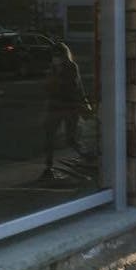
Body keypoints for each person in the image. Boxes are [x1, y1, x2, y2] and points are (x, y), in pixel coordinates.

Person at [40, 42, 89, 180]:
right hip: (55, 107)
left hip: (69, 107)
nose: (55, 58)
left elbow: (75, 87)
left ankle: (87, 156)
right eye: (54, 55)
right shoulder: (52, 69)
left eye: (58, 55)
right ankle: (48, 167)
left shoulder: (71, 67)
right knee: (49, 136)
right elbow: (47, 88)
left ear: (63, 55)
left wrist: (84, 104)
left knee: (71, 139)